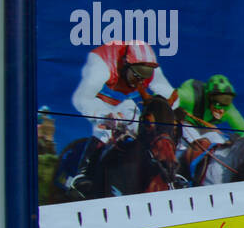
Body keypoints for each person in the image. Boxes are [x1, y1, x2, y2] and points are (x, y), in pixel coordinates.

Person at [67, 40, 178, 195]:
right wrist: (104, 116)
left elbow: (172, 97)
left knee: (141, 127)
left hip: (126, 102)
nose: (141, 80)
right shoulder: (101, 66)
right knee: (104, 129)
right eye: (137, 74)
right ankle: (83, 173)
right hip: (100, 100)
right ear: (126, 64)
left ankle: (167, 173)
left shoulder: (150, 68)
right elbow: (81, 99)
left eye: (145, 74)